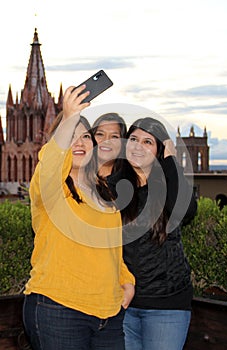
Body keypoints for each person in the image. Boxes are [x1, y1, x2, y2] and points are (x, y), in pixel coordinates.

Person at [23, 85, 135, 350]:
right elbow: (49, 164)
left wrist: (127, 280)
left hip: (108, 314)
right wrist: (69, 117)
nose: (79, 142)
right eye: (71, 135)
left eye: (85, 136)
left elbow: (112, 250)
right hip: (58, 309)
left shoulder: (105, 192)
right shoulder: (51, 188)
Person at [120, 117, 197, 350]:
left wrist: (171, 159)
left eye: (148, 141)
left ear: (159, 150)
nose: (138, 146)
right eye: (133, 139)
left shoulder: (168, 186)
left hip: (166, 307)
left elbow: (187, 211)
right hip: (122, 305)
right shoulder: (117, 187)